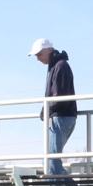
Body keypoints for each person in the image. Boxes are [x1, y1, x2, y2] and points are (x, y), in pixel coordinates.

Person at [28, 38, 77, 176]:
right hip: (61, 116)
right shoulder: (56, 65)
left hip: (61, 117)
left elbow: (59, 97)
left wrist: (46, 109)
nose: (38, 58)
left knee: (52, 162)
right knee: (51, 161)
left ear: (49, 50)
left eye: (39, 54)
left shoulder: (60, 66)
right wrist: (45, 110)